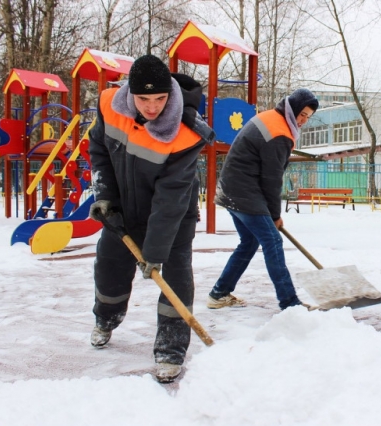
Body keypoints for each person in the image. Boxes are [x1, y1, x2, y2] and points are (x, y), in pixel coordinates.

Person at [87, 54, 214, 383]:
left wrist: (154, 253)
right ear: (130, 92)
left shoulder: (185, 134)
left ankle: (170, 351)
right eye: (144, 99)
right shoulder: (109, 106)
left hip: (173, 217)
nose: (152, 107)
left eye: (160, 98)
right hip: (124, 211)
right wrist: (105, 197)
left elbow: (170, 198)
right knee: (109, 267)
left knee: (175, 278)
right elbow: (99, 149)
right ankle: (106, 319)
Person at [206, 88, 319, 310]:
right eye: (302, 114)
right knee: (273, 241)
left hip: (232, 188)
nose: (303, 120)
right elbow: (271, 179)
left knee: (249, 242)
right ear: (293, 109)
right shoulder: (279, 133)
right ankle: (290, 303)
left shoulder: (272, 118)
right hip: (244, 191)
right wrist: (275, 215)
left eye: (308, 116)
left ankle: (219, 293)